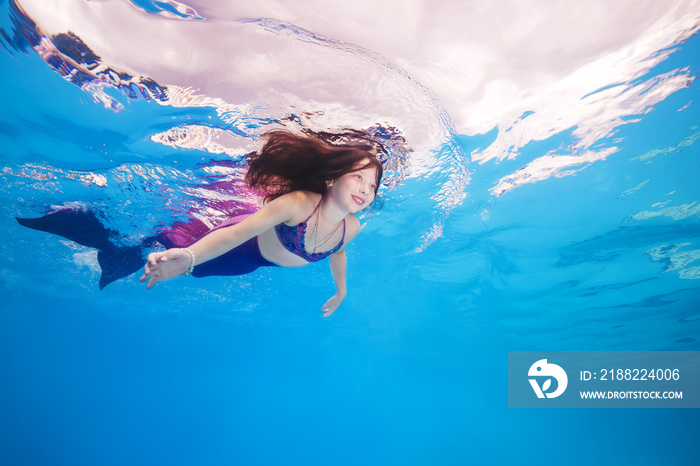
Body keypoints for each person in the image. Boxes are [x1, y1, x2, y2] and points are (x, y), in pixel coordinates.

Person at [17, 130, 384, 317]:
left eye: (372, 186)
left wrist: (342, 290)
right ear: (333, 177)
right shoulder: (300, 204)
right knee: (165, 247)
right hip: (237, 245)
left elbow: (339, 252)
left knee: (162, 256)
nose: (365, 190)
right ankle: (92, 227)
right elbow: (239, 232)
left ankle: (126, 249)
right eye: (358, 178)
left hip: (246, 266)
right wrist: (190, 256)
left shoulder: (352, 227)